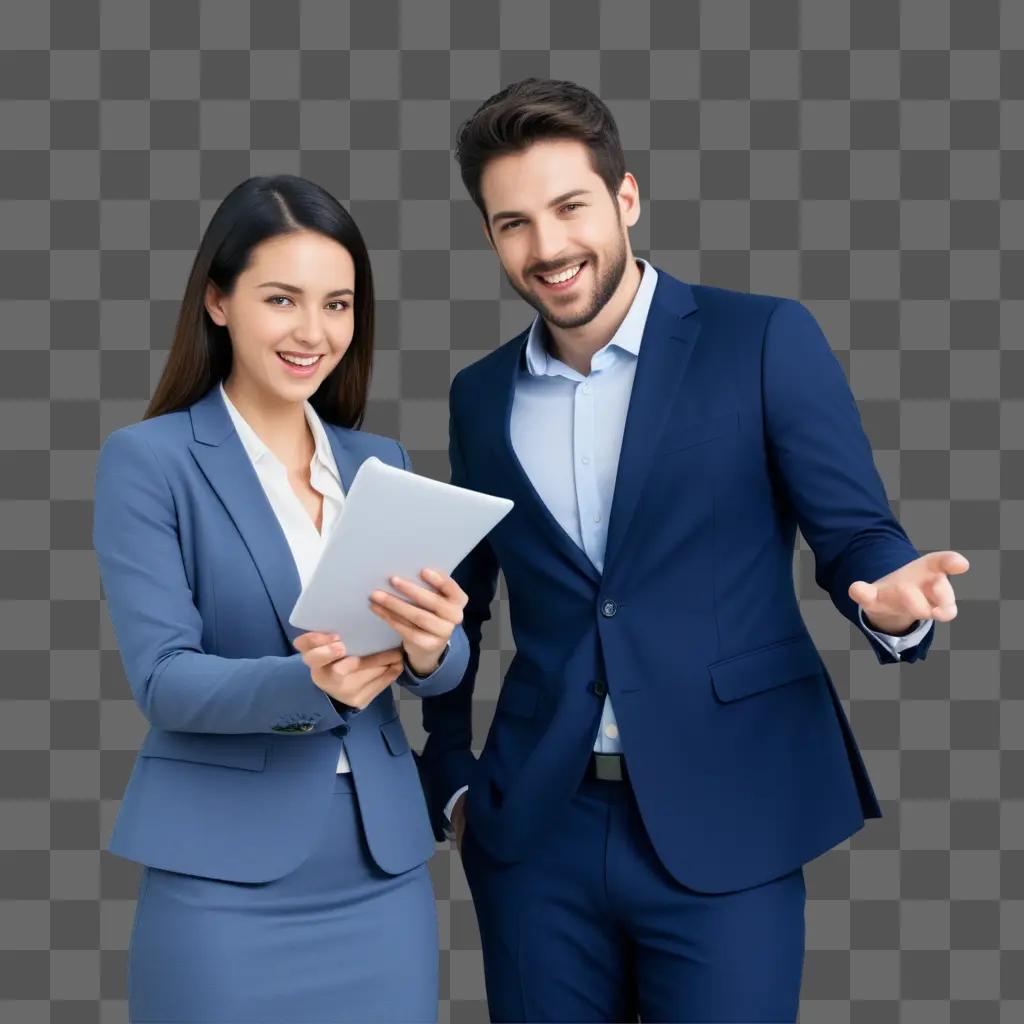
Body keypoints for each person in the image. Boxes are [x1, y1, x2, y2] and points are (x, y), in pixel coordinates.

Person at [417, 79, 970, 1023]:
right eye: (513, 223)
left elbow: (856, 531)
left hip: (732, 815)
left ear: (626, 199)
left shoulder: (761, 339)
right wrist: (454, 779)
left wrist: (885, 596)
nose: (547, 248)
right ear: (490, 237)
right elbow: (460, 603)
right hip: (535, 834)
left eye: (569, 208)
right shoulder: (479, 396)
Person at [92, 174, 470, 1024]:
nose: (314, 332)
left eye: (338, 304)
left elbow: (438, 675)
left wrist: (434, 648)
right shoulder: (150, 462)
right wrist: (312, 686)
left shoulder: (382, 459)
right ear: (219, 301)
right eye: (282, 299)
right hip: (223, 879)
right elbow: (164, 680)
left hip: (381, 872)